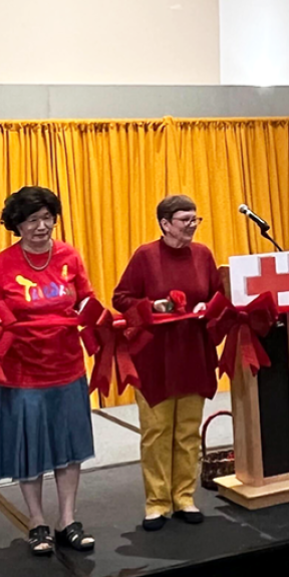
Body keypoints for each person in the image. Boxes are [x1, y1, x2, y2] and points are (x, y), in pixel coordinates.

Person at [0, 186, 96, 556]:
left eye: (47, 218)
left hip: (67, 367)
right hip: (22, 373)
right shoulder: (2, 264)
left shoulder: (69, 256)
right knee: (29, 450)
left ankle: (67, 520)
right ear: (17, 225)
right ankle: (37, 522)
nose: (42, 227)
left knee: (69, 446)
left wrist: (95, 314)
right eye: (32, 220)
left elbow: (86, 297)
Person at [113, 195, 223, 529]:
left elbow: (217, 294)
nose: (191, 225)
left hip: (193, 352)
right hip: (154, 358)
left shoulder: (203, 255)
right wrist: (152, 305)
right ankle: (157, 502)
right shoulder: (145, 256)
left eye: (195, 219)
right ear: (164, 223)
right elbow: (121, 298)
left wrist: (209, 307)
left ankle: (184, 498)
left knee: (188, 432)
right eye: (184, 220)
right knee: (157, 431)